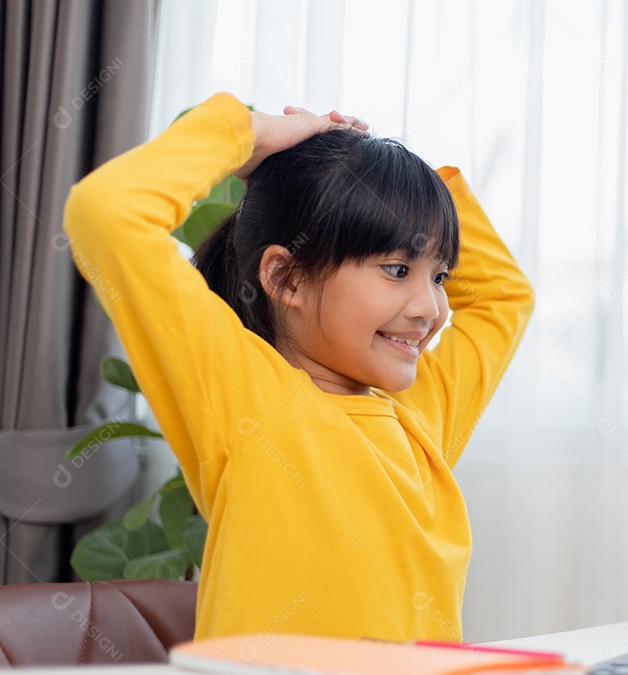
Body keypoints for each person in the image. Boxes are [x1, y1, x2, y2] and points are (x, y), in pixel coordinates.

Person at [63, 93, 533, 642]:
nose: (430, 308)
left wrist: (417, 187)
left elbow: (503, 297)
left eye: (439, 277)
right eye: (398, 268)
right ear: (285, 278)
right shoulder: (245, 396)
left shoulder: (418, 420)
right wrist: (252, 135)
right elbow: (105, 212)